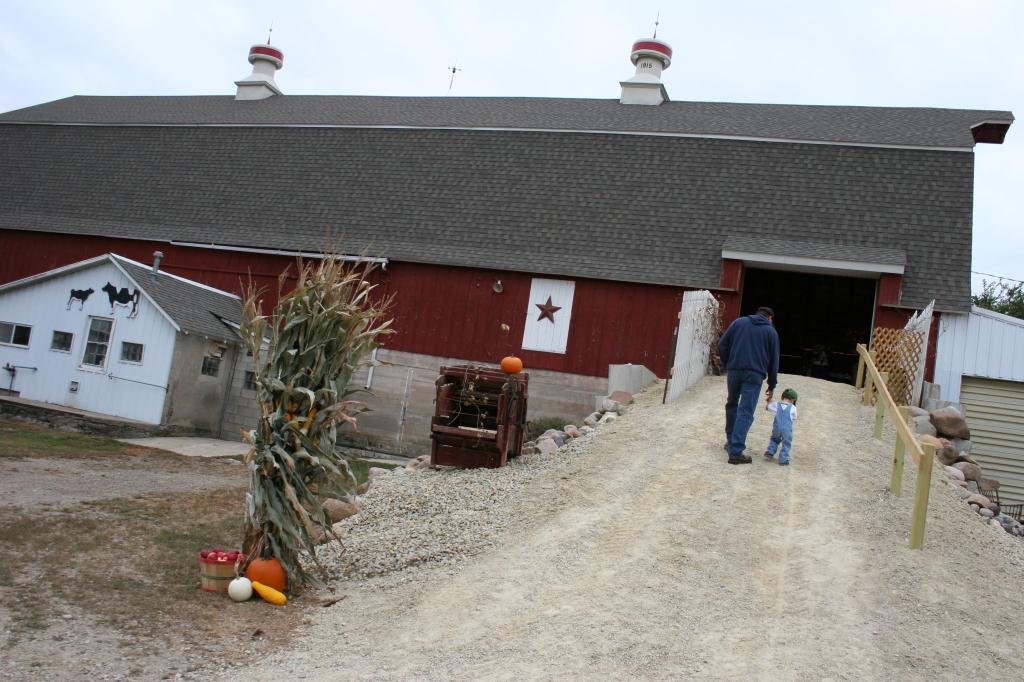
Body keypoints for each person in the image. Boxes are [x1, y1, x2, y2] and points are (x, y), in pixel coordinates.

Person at [717, 306, 780, 464]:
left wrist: (728, 364)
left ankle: (731, 442)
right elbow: (774, 362)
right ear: (770, 318)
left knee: (732, 404)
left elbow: (722, 345)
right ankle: (736, 452)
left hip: (734, 370)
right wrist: (771, 384)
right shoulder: (771, 332)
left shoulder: (739, 323)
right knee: (745, 410)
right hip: (754, 374)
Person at [763, 388, 799, 466]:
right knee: (786, 443)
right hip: (787, 429)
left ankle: (770, 451)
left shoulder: (777, 404)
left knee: (775, 439)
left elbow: (768, 407)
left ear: (783, 397)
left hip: (777, 427)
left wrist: (769, 402)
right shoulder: (793, 407)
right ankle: (783, 459)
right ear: (793, 400)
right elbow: (795, 417)